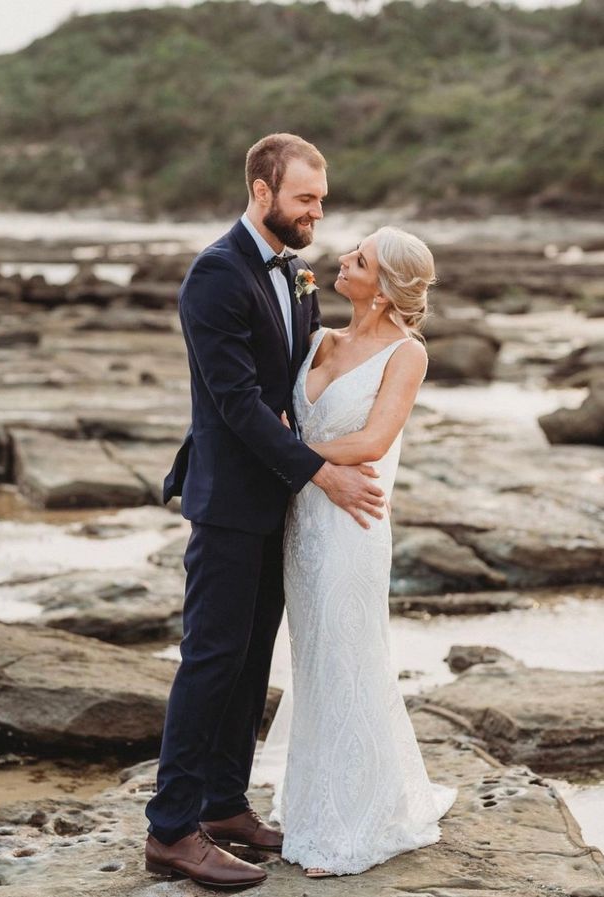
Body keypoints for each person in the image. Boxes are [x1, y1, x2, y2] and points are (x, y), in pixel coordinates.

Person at [144, 133, 387, 889]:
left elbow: (295, 378)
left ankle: (223, 804)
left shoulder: (293, 274)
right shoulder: (216, 275)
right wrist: (319, 473)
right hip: (226, 502)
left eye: (320, 198)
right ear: (261, 192)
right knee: (211, 659)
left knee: (250, 664)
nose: (319, 211)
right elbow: (239, 403)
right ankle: (171, 828)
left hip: (273, 504)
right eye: (305, 198)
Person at [259, 225, 458, 877]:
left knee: (350, 653)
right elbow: (282, 416)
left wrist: (280, 456)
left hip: (353, 525)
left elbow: (372, 440)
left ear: (384, 285)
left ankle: (353, 824)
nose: (341, 260)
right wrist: (288, 454)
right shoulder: (316, 338)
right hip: (301, 522)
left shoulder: (406, 354)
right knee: (313, 660)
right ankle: (315, 805)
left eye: (359, 258)